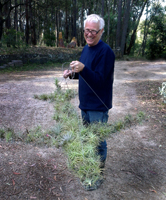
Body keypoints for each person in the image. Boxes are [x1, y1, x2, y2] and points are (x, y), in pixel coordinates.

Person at [63, 14, 115, 188]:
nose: (89, 34)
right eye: (86, 31)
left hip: (98, 107)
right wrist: (73, 74)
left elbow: (99, 80)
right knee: (87, 139)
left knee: (98, 142)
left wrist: (83, 69)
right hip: (85, 104)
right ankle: (90, 170)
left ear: (101, 31)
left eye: (93, 31)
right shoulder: (86, 48)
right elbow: (86, 74)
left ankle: (96, 176)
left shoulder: (106, 52)